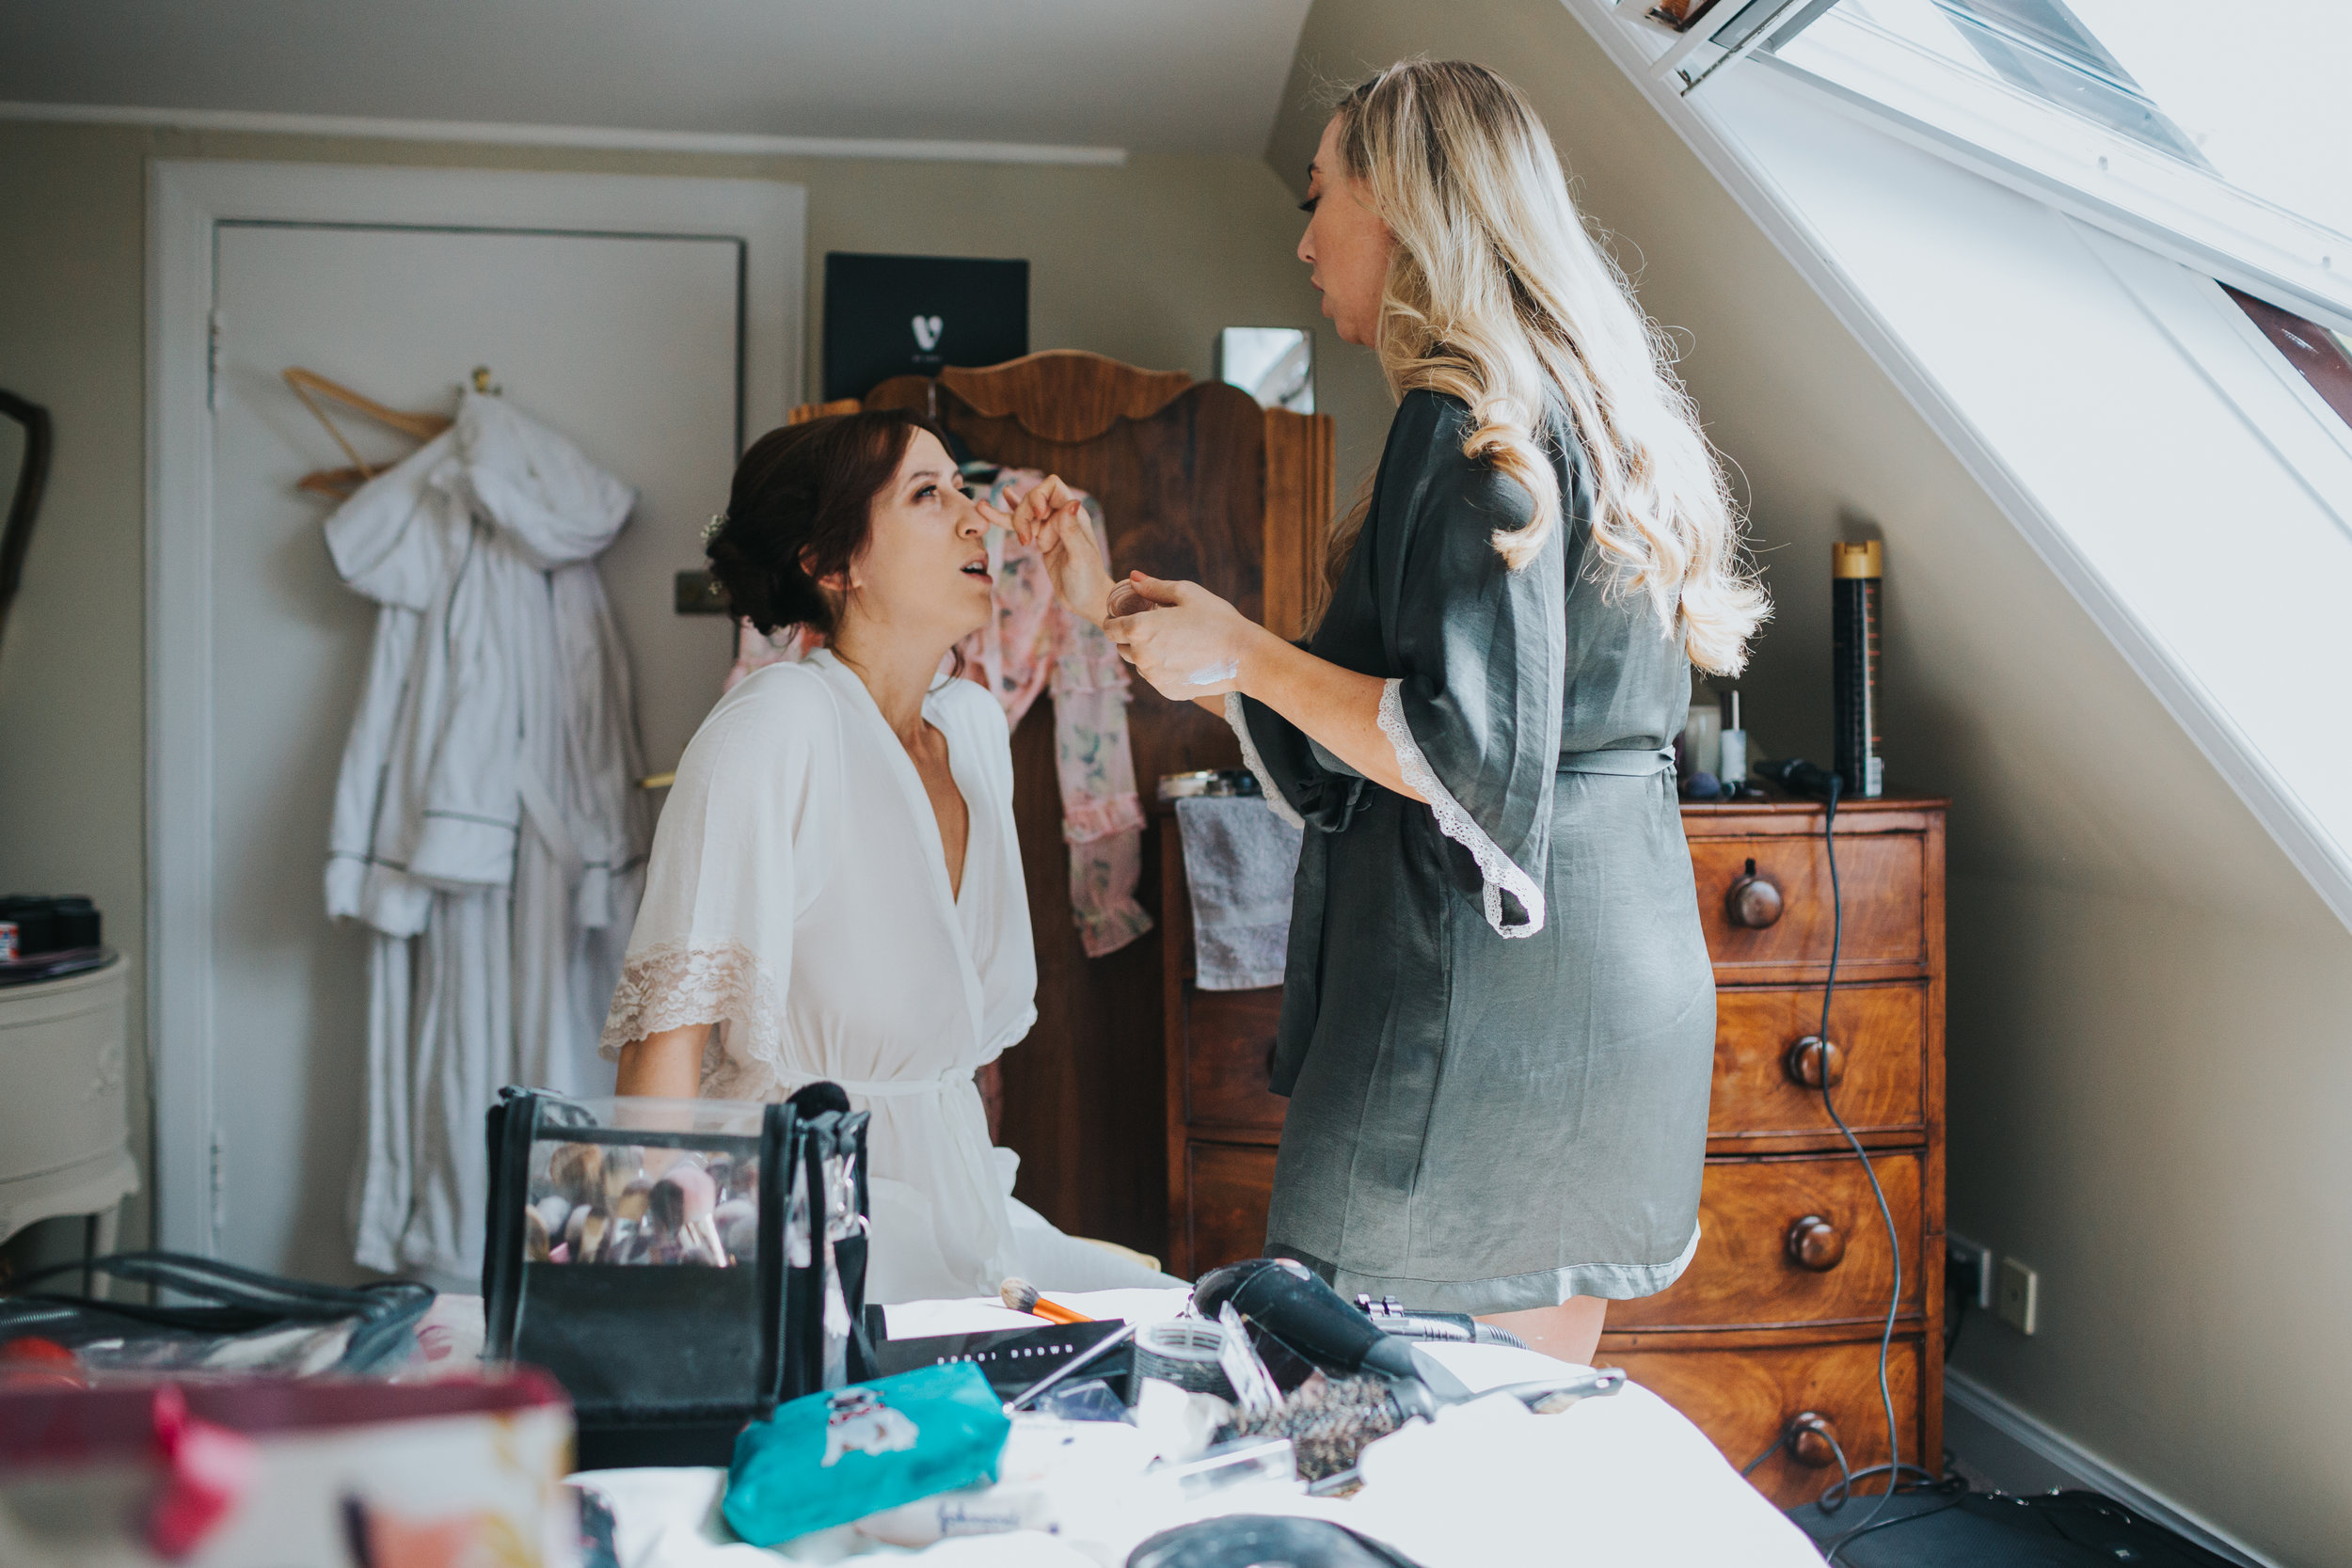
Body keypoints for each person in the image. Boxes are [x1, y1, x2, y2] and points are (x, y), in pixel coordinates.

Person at [1024, 61, 1768, 1365]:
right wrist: (1153, 625)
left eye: (1322, 200)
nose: (1305, 240)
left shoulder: (1461, 417)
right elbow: (1381, 724)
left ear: (1410, 204)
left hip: (1481, 1004)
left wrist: (1248, 648)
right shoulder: (1578, 395)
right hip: (1611, 978)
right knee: (1518, 1423)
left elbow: (1459, 753)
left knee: (1373, 1420)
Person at [599, 410, 1168, 1303]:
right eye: (928, 495)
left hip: (963, 1204)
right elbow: (661, 1053)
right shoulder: (774, 727)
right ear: (834, 564)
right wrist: (657, 1305)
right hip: (806, 1227)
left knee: (1174, 1312)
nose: (978, 517)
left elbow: (957, 1058)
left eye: (966, 491)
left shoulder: (975, 729)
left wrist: (1099, 601)